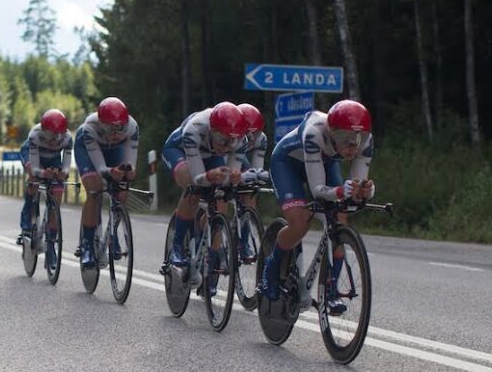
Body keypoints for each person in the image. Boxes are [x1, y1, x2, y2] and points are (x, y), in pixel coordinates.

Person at [259, 99, 376, 316]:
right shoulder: (315, 133)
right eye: (344, 139)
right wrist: (342, 191)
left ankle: (330, 293)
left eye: (357, 139)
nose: (352, 146)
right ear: (332, 133)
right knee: (300, 221)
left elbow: (356, 187)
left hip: (324, 164)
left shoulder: (365, 142)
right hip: (288, 164)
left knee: (339, 217)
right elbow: (318, 190)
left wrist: (363, 191)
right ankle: (270, 272)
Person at [160, 101, 252, 297]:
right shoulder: (195, 129)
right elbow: (198, 178)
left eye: (230, 141)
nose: (224, 145)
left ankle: (209, 266)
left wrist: (232, 178)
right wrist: (210, 177)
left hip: (209, 156)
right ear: (212, 129)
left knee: (220, 204)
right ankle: (177, 246)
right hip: (179, 151)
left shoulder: (240, 140)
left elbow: (228, 176)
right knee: (193, 187)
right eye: (220, 138)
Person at [74, 97, 139, 268]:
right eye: (110, 128)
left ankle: (112, 233)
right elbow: (101, 168)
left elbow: (130, 165)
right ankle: (87, 245)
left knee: (122, 189)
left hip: (114, 150)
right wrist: (110, 172)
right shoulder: (90, 127)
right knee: (94, 190)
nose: (116, 132)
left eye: (120, 127)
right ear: (101, 123)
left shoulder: (132, 127)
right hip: (88, 150)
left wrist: (128, 172)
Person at [17, 109, 74, 270]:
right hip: (31, 154)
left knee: (57, 192)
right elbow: (35, 168)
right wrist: (43, 173)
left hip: (53, 159)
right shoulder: (35, 136)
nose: (54, 139)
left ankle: (51, 248)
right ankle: (27, 218)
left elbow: (66, 167)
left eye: (58, 136)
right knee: (34, 179)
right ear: (43, 130)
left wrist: (62, 174)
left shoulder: (68, 139)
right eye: (49, 135)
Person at [231, 103, 271, 262]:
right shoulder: (234, 136)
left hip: (240, 156)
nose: (252, 139)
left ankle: (243, 240)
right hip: (227, 152)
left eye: (257, 133)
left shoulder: (261, 140)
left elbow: (256, 171)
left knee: (251, 189)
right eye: (248, 134)